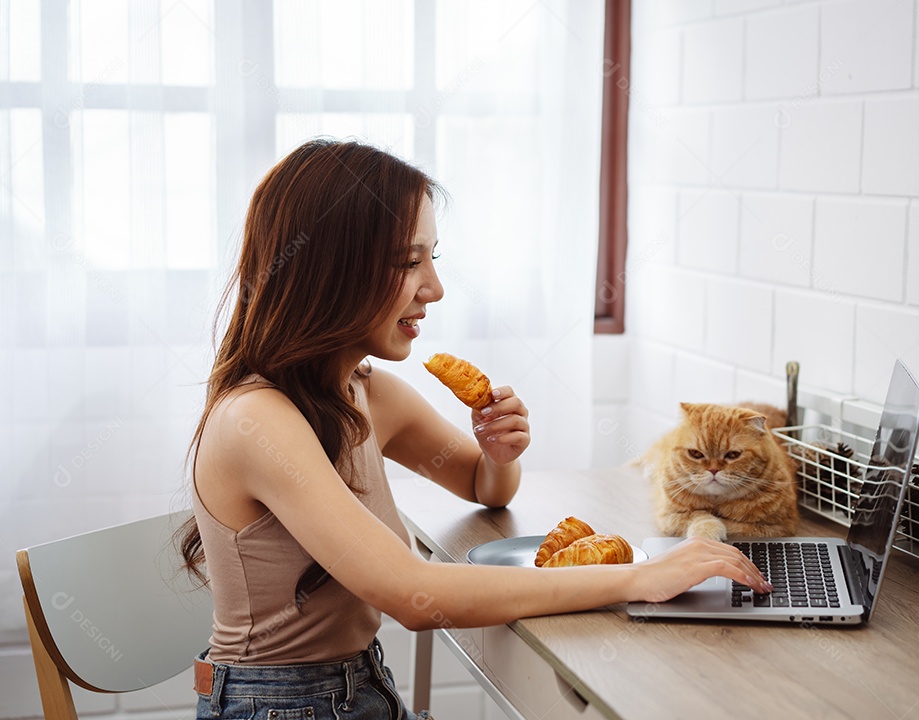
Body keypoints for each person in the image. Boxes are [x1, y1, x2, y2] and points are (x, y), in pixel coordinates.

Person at [179, 138, 771, 720]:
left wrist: (497, 453)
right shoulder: (257, 418)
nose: (434, 287)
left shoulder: (364, 393)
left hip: (356, 686)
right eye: (408, 262)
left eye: (432, 257)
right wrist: (639, 578)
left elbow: (485, 488)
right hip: (280, 705)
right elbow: (417, 595)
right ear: (328, 270)